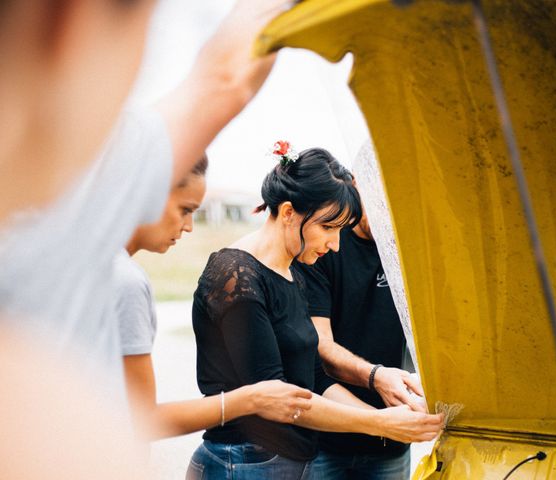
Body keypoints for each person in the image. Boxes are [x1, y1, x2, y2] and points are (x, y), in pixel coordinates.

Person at [0, 1, 292, 477]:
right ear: (68, 20)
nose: (188, 226)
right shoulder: (92, 191)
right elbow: (226, 79)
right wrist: (247, 400)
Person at [187, 146, 444, 480]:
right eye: (328, 228)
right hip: (243, 463)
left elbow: (315, 377)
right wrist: (380, 422)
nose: (335, 245)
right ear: (290, 212)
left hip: (289, 464)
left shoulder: (292, 273)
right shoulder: (235, 276)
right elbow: (277, 397)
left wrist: (385, 424)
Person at [116, 154, 313, 440]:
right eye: (185, 209)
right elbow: (143, 419)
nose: (189, 226)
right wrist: (250, 399)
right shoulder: (126, 281)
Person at [295, 195, 420, 479]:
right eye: (381, 199)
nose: (390, 215)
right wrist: (376, 377)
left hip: (392, 442)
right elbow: (321, 346)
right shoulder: (325, 246)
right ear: (356, 184)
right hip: (326, 439)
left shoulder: (412, 248)